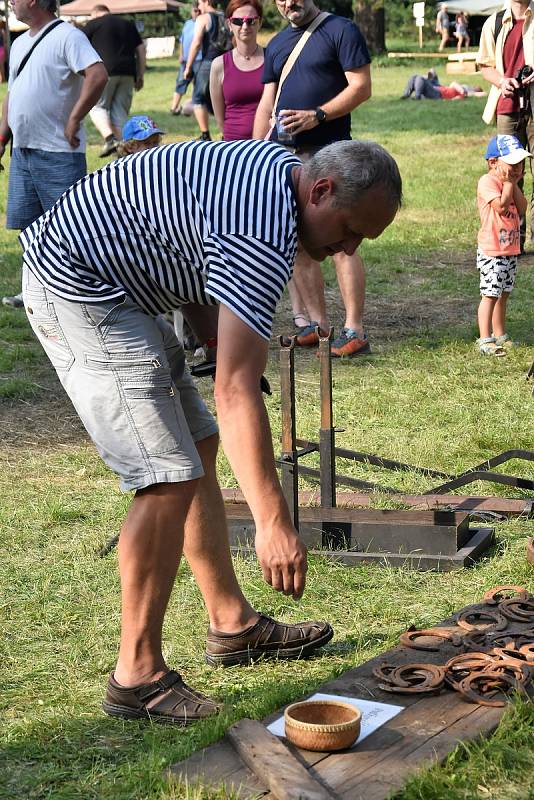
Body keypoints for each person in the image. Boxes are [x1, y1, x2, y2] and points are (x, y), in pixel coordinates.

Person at [20, 138, 401, 723]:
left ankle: (232, 623)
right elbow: (233, 390)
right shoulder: (264, 230)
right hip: (80, 287)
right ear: (320, 190)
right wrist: (274, 524)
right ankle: (136, 676)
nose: (347, 248)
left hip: (119, 285)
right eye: (349, 229)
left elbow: (196, 258)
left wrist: (221, 343)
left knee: (196, 442)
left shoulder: (280, 170)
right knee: (165, 475)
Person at [253, 0, 373, 359]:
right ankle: (319, 327)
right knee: (298, 242)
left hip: (331, 153)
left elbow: (361, 87)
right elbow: (266, 104)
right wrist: (256, 152)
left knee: (344, 241)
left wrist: (317, 116)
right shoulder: (275, 44)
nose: (290, 2)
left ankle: (354, 329)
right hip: (285, 158)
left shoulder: (341, 30)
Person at [0, 0, 107, 309]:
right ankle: (35, 291)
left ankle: (74, 293)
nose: (11, 3)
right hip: (23, 150)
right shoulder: (19, 43)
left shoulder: (68, 36)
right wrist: (3, 135)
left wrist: (74, 118)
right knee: (29, 226)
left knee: (67, 226)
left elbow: (97, 75)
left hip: (58, 151)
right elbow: (12, 94)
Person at [477, 0, 534, 249]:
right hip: (508, 106)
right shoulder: (495, 22)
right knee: (508, 173)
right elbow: (485, 66)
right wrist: (502, 82)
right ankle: (513, 240)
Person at [476, 134, 529, 355]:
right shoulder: (487, 181)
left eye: (520, 162)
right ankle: (485, 338)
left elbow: (523, 207)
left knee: (503, 293)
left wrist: (513, 183)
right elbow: (501, 206)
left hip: (509, 250)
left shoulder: (511, 182)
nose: (517, 167)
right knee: (490, 294)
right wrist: (508, 183)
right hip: (492, 250)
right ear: (493, 162)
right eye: (512, 163)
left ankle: (499, 333)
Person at [84, 4, 146, 158]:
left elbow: (80, 48)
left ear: (95, 14)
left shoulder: (92, 24)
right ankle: (126, 150)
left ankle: (110, 140)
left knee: (97, 107)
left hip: (104, 72)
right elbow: (141, 50)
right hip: (128, 72)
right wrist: (140, 74)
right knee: (120, 112)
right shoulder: (127, 24)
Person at [209, 0, 264, 140]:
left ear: (260, 23)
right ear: (229, 24)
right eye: (238, 21)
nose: (245, 26)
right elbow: (220, 119)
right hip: (233, 148)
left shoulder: (273, 59)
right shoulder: (219, 65)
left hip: (267, 147)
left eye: (251, 21)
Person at [183, 0, 233, 142]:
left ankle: (205, 135)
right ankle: (226, 134)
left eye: (199, 3)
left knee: (198, 98)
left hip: (209, 62)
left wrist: (188, 67)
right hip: (227, 61)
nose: (198, 7)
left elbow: (197, 42)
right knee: (223, 100)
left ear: (205, 1)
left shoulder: (203, 18)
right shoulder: (226, 16)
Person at [170, 3, 201, 116]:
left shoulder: (203, 23)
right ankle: (174, 108)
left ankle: (194, 108)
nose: (196, 13)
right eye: (194, 10)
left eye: (198, 10)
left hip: (199, 59)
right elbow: (182, 40)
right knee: (180, 82)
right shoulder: (187, 24)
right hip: (185, 60)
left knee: (197, 85)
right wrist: (181, 54)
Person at [401, 73, 485, 100]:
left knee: (419, 78)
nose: (474, 87)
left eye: (475, 88)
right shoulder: (462, 89)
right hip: (437, 89)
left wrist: (464, 93)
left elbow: (455, 98)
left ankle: (417, 96)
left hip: (439, 94)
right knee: (415, 77)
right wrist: (461, 90)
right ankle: (406, 94)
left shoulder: (464, 93)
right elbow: (453, 84)